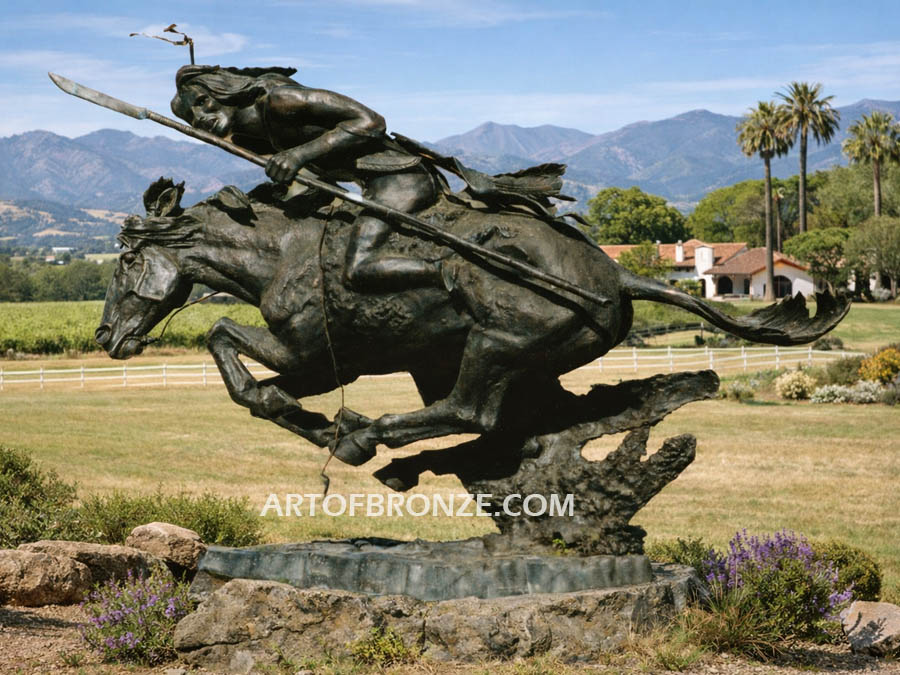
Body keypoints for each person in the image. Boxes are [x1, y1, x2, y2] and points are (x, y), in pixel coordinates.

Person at [170, 65, 440, 291]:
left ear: (223, 89)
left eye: (202, 102)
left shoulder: (280, 99)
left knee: (358, 268)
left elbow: (371, 121)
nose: (199, 118)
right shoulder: (246, 137)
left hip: (399, 177)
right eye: (190, 118)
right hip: (363, 187)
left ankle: (451, 274)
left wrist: (299, 155)